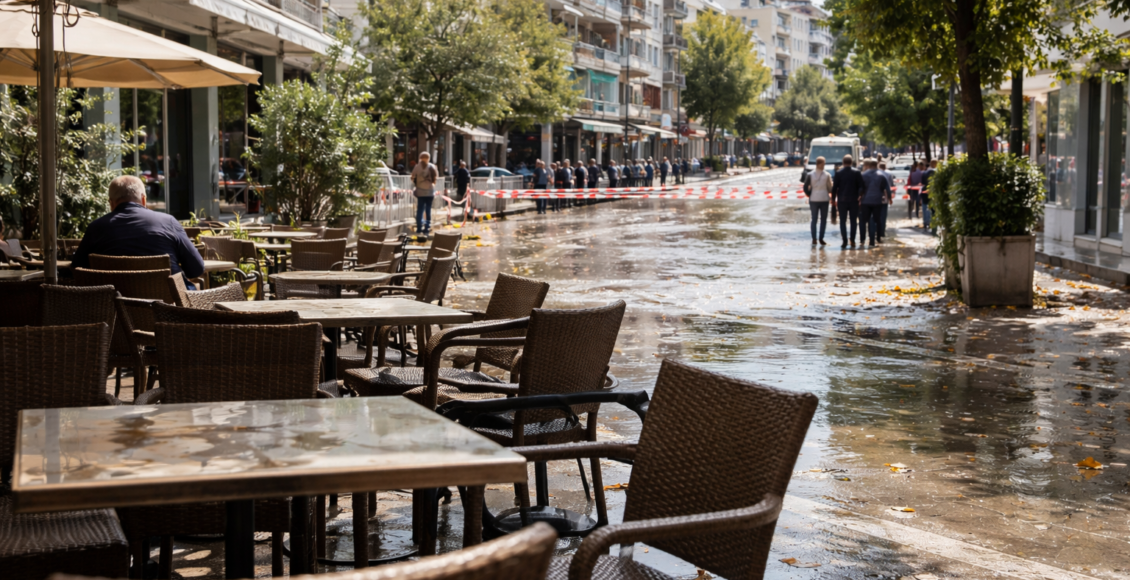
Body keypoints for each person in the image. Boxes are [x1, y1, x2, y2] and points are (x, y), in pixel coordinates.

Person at [72, 175, 205, 287]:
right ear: (143, 199)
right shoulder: (168, 222)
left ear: (111, 203)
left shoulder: (96, 227)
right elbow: (196, 269)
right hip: (170, 305)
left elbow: (77, 270)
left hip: (113, 305)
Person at [831, 155, 864, 249]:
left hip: (842, 200)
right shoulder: (857, 172)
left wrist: (833, 199)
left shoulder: (838, 173)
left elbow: (834, 188)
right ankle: (852, 240)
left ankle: (844, 241)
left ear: (843, 162)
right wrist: (860, 195)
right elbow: (862, 186)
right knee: (853, 221)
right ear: (851, 162)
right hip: (854, 200)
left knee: (842, 221)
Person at [859, 159, 891, 248]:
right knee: (875, 219)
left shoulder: (863, 175)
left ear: (869, 165)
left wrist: (859, 197)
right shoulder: (882, 175)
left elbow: (860, 188)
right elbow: (887, 189)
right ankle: (875, 239)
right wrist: (889, 198)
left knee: (863, 220)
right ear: (877, 165)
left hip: (865, 201)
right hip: (877, 201)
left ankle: (862, 239)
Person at [410, 152, 439, 238]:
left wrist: (417, 184)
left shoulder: (417, 167)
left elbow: (412, 177)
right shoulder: (432, 167)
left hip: (420, 192)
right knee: (428, 209)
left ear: (420, 158)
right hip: (430, 192)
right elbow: (435, 177)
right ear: (428, 158)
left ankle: (419, 228)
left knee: (420, 209)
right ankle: (427, 228)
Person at [806, 156, 833, 246]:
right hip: (824, 199)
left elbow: (805, 186)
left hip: (813, 199)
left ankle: (814, 238)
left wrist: (809, 193)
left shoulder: (810, 174)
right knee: (823, 219)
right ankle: (821, 238)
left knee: (814, 219)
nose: (824, 165)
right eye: (824, 163)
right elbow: (830, 188)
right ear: (820, 164)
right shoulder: (827, 175)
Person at [877, 161, 895, 244]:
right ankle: (882, 232)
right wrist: (890, 197)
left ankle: (876, 231)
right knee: (883, 215)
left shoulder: (877, 174)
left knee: (876, 215)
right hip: (885, 197)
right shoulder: (888, 174)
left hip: (876, 198)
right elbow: (890, 185)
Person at [922, 159, 938, 229]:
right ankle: (932, 223)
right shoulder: (937, 172)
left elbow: (922, 183)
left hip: (925, 192)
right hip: (934, 192)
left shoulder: (925, 172)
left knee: (925, 207)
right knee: (933, 208)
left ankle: (926, 222)